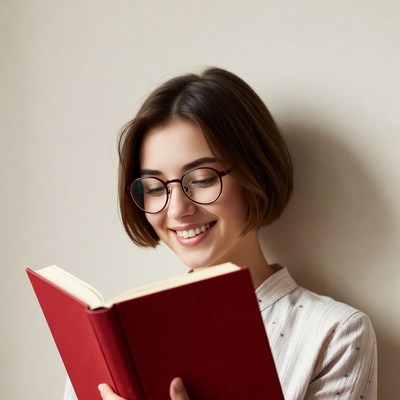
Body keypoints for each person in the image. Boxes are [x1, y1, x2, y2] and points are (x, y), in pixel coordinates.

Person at [64, 67, 377, 400]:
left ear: (255, 172)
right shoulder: (117, 342)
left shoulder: (334, 335)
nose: (176, 210)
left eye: (201, 179)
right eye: (154, 187)